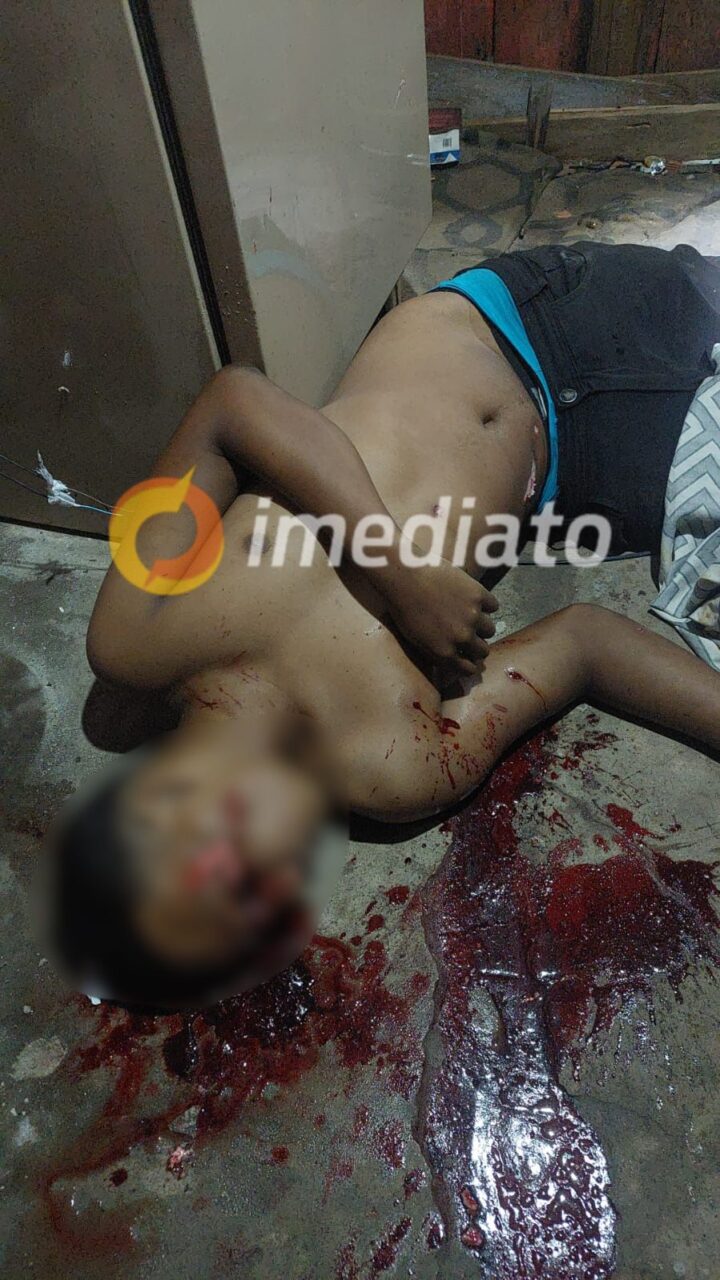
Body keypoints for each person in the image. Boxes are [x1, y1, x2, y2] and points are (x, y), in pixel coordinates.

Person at [46, 241, 720, 1009]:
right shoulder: (394, 767)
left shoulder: (136, 635)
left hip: (509, 326)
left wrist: (398, 573)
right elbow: (585, 644)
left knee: (702, 300)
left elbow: (232, 405)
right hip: (575, 472)